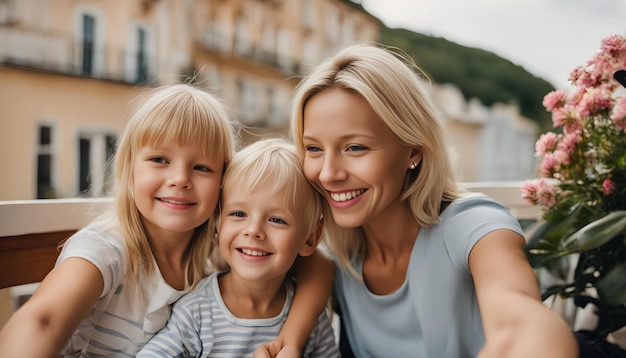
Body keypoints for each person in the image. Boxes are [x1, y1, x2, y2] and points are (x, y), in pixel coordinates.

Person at [280, 43, 578, 357]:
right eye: (313, 149)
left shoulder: (474, 226)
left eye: (355, 148)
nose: (328, 174)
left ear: (413, 150)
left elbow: (522, 323)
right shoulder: (336, 261)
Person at [0, 84, 333, 357]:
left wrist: (291, 339)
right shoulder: (106, 250)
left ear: (223, 184)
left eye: (201, 167)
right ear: (130, 170)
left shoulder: (219, 250)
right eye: (159, 159)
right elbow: (41, 322)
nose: (179, 179)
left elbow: (316, 265)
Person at [137, 137, 339, 357]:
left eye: (277, 220)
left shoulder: (310, 321)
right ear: (218, 224)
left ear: (309, 239)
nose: (253, 230)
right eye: (238, 214)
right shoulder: (196, 312)